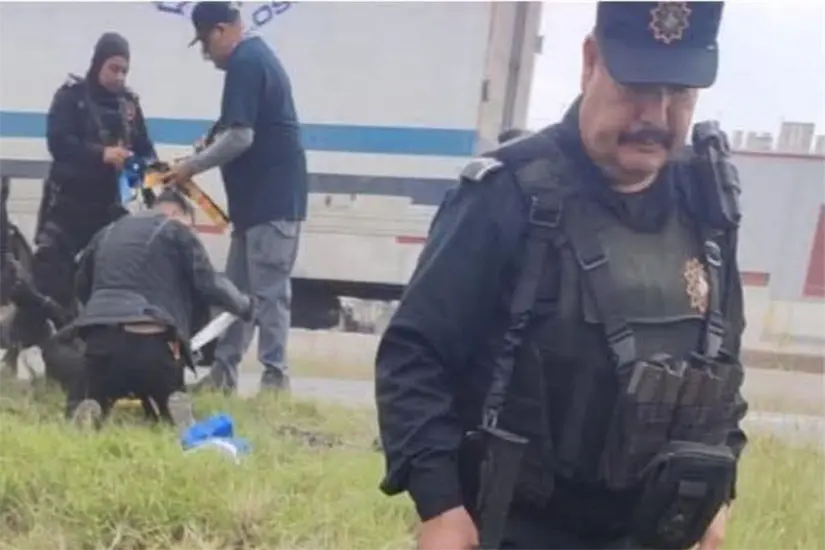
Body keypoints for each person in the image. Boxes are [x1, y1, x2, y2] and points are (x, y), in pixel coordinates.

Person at [375, 3, 748, 550]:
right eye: (638, 88)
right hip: (518, 527)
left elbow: (723, 363)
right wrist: (442, 508)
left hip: (655, 529)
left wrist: (718, 491)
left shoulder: (705, 205)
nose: (657, 114)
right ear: (591, 60)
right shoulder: (508, 195)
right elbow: (414, 356)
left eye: (679, 93)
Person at [161, 1, 308, 394]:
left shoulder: (246, 62)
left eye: (206, 42)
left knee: (269, 295)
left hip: (272, 203)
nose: (207, 55)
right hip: (255, 206)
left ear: (224, 29)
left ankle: (275, 379)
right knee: (236, 296)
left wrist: (192, 167)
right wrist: (206, 145)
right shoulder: (254, 59)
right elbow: (232, 126)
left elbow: (242, 137)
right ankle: (223, 374)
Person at [11, 32, 157, 350]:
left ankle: (84, 355)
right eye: (113, 68)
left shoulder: (129, 106)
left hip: (107, 210)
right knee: (48, 279)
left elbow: (146, 149)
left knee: (101, 285)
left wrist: (139, 165)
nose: (118, 77)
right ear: (98, 64)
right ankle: (18, 347)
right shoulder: (71, 98)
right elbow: (59, 143)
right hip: (66, 207)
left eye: (124, 70)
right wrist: (101, 154)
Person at [67, 189, 255, 430]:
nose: (192, 230)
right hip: (152, 343)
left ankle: (94, 402)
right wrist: (244, 305)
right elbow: (209, 283)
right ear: (177, 213)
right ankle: (169, 402)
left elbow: (81, 285)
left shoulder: (107, 231)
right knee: (163, 395)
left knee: (98, 387)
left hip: (101, 344)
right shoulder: (176, 231)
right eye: (191, 224)